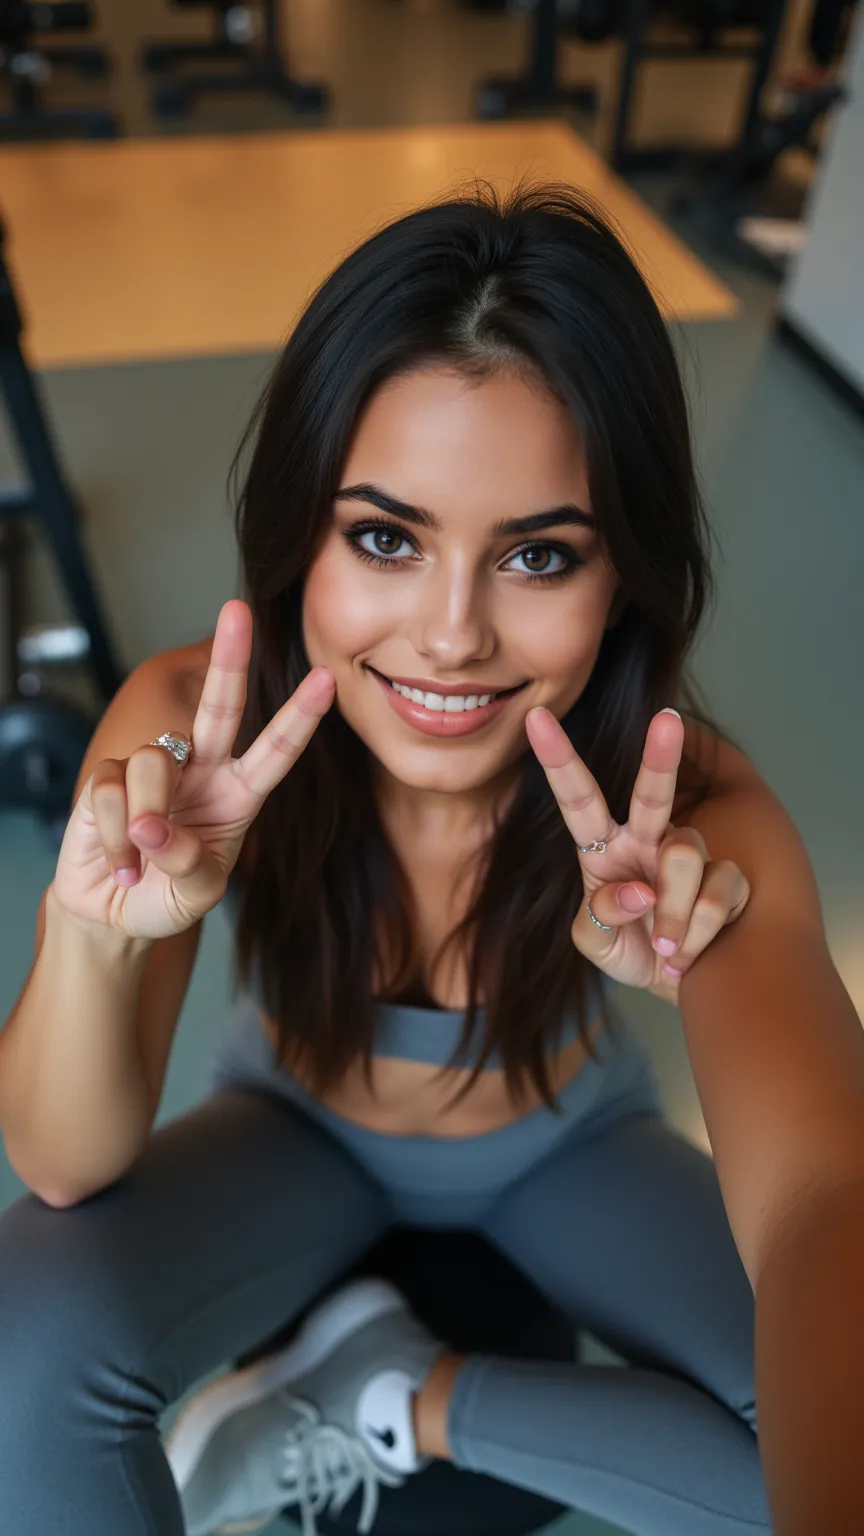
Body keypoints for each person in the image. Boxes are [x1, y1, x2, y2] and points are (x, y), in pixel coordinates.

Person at [0, 183, 770, 1536]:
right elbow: (66, 1166)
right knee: (21, 1346)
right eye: (384, 538)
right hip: (295, 1126)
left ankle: (393, 1395)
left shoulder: (688, 799)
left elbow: (826, 1195)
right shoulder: (191, 726)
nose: (452, 634)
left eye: (537, 554)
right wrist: (94, 928)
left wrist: (709, 981)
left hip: (568, 1141)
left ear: (622, 577)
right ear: (303, 529)